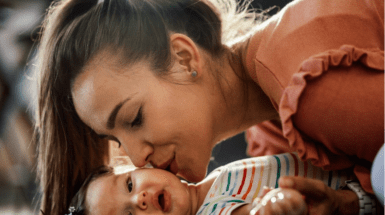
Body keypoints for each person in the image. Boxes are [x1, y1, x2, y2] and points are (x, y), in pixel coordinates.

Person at [34, 0, 385, 214]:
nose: (138, 158)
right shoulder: (271, 136)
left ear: (184, 58)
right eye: (116, 140)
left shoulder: (309, 93)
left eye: (134, 118)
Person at [65, 153, 356, 215]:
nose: (138, 199)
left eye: (129, 185)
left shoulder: (208, 186)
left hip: (354, 174)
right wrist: (270, 209)